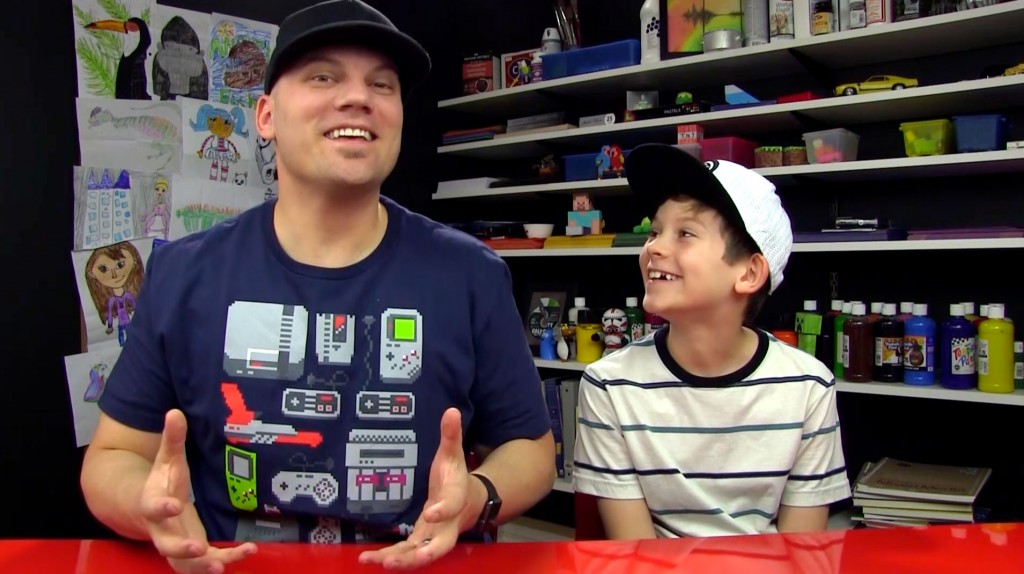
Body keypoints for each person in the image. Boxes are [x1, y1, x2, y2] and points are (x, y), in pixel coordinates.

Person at [79, 1, 555, 572]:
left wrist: (476, 497)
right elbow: (112, 457)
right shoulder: (185, 274)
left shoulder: (470, 275)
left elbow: (530, 451)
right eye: (323, 77)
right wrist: (148, 505)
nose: (358, 97)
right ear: (266, 116)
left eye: (382, 84)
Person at [572, 143, 851, 539]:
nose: (654, 247)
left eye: (685, 233)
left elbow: (801, 550)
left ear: (749, 273)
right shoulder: (610, 385)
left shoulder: (808, 387)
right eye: (655, 231)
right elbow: (636, 552)